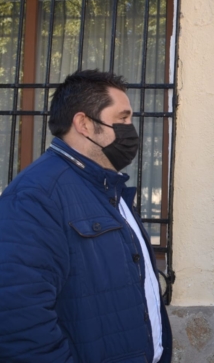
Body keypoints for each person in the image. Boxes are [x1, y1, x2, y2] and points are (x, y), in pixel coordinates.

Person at [0, 70, 172, 362]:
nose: (131, 129)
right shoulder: (36, 196)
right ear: (84, 124)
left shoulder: (108, 187)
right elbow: (18, 318)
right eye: (122, 118)